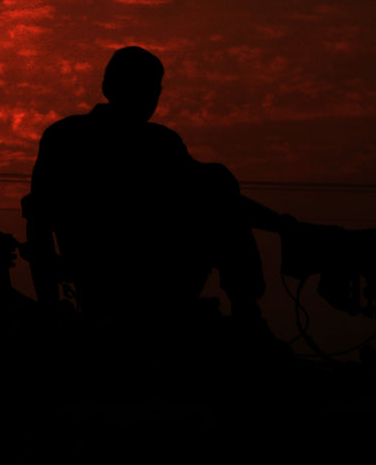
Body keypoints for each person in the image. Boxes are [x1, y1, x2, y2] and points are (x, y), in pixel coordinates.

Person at [24, 47, 293, 326]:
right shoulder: (69, 138)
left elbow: (215, 197)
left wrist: (284, 225)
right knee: (216, 181)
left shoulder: (161, 142)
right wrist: (49, 307)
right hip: (110, 276)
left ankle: (245, 310)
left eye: (153, 87)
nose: (148, 95)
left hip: (156, 273)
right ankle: (246, 315)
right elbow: (39, 222)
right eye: (139, 85)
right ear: (109, 88)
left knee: (215, 180)